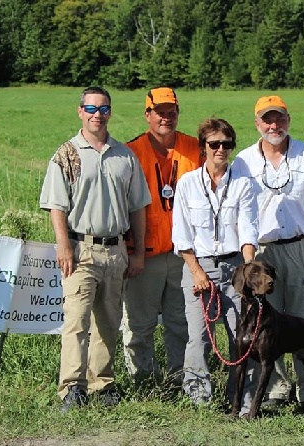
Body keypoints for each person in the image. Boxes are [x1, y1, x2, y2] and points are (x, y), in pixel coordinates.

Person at [39, 86, 151, 412]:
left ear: (110, 113)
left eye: (103, 109)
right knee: (76, 322)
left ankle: (102, 384)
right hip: (81, 249)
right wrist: (64, 247)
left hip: (116, 249)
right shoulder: (66, 155)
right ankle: (72, 389)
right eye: (90, 108)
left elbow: (138, 208)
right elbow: (57, 206)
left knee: (108, 321)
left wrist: (138, 252)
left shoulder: (124, 155)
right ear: (80, 111)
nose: (96, 115)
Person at [232, 95, 304, 416]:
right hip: (262, 252)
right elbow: (239, 211)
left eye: (279, 118)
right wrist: (247, 259)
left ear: (288, 120)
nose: (274, 125)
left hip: (302, 245)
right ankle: (275, 388)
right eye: (267, 119)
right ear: (257, 123)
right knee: (266, 322)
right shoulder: (243, 161)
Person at [172, 118, 258, 412]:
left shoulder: (244, 184)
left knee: (243, 335)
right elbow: (181, 236)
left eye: (226, 144)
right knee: (198, 337)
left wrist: (248, 270)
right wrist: (196, 273)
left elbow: (248, 230)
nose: (221, 149)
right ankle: (199, 398)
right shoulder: (187, 184)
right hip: (198, 265)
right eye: (214, 144)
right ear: (203, 147)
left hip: (235, 266)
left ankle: (242, 399)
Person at [121, 87, 202, 387]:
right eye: (159, 112)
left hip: (184, 254)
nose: (166, 118)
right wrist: (133, 251)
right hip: (145, 253)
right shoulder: (131, 152)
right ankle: (141, 379)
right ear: (147, 114)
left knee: (180, 322)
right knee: (139, 324)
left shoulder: (195, 149)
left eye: (172, 112)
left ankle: (179, 378)